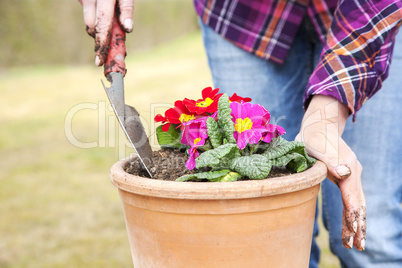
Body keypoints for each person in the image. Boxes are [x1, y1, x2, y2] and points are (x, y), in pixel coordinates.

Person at [77, 0, 402, 267]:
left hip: (367, 17)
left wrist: (326, 118)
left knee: (373, 234)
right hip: (244, 13)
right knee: (263, 237)